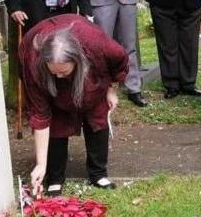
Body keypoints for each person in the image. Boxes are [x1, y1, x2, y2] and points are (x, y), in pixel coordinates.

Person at [22, 14, 128, 196]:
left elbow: (120, 61)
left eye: (63, 71)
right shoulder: (32, 59)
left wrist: (111, 88)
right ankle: (54, 178)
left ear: (77, 60)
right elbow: (40, 115)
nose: (59, 76)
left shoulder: (98, 44)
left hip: (92, 81)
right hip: (51, 88)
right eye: (53, 72)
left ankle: (98, 173)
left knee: (97, 119)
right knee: (56, 123)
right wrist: (40, 164)